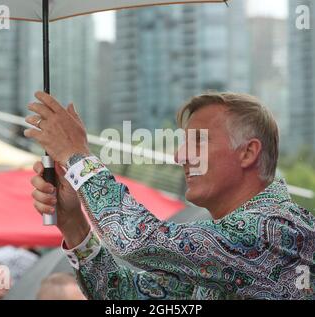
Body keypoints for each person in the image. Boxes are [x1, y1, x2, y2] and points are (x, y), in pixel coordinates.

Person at [25, 91, 315, 300]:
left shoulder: (276, 230)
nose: (180, 156)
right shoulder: (221, 253)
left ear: (248, 152)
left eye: (197, 141)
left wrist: (78, 157)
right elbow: (124, 294)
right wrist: (74, 223)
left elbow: (137, 242)